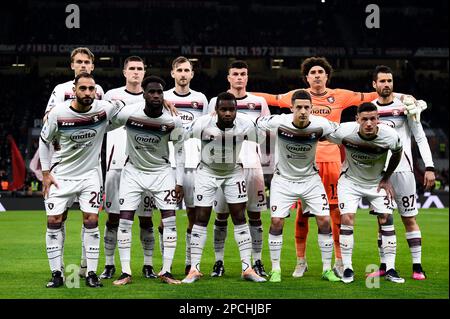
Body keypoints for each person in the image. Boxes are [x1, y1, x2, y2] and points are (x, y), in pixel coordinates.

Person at [253, 56, 413, 278]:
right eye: (312, 72)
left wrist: (405, 97)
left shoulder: (340, 95)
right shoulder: (296, 97)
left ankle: (339, 261)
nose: (317, 75)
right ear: (306, 78)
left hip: (333, 160)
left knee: (335, 212)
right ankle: (301, 261)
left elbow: (373, 95)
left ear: (327, 76)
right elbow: (269, 98)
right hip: (306, 161)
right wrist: (239, 94)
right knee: (301, 214)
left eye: (321, 72)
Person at [40, 72, 118, 288]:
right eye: (82, 88)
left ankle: (91, 273)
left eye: (91, 89)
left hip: (90, 176)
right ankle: (57, 273)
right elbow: (44, 140)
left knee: (91, 221)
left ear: (96, 91)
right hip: (61, 176)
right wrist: (45, 173)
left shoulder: (104, 109)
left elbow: (132, 108)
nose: (87, 92)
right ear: (74, 90)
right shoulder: (59, 113)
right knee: (54, 222)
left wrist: (164, 101)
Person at [256, 89, 341, 283]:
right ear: (292, 108)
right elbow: (256, 122)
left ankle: (327, 269)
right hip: (283, 180)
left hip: (311, 180)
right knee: (277, 222)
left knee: (324, 221)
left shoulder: (321, 125)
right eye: (299, 107)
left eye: (306, 107)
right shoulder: (278, 122)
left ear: (312, 108)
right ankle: (276, 269)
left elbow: (342, 132)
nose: (303, 111)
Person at [182, 92, 266, 284]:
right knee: (201, 217)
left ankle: (247, 268)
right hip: (206, 172)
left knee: (239, 217)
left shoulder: (245, 124)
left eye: (232, 109)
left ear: (236, 110)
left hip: (233, 172)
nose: (228, 113)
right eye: (224, 109)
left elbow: (261, 139)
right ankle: (194, 268)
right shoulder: (202, 124)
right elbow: (180, 135)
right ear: (216, 110)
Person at [110, 76, 184, 286]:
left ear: (164, 95)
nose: (156, 96)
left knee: (169, 221)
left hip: (162, 173)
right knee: (124, 221)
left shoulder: (173, 120)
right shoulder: (129, 114)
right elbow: (107, 120)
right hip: (132, 172)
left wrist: (179, 181)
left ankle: (167, 271)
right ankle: (125, 272)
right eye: (151, 92)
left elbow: (179, 151)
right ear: (144, 94)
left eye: (160, 92)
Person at [367, 65, 435, 280]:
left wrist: (430, 167)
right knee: (383, 219)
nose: (387, 85)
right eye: (383, 81)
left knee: (409, 218)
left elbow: (420, 137)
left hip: (404, 171)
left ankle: (417, 266)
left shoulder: (406, 107)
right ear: (374, 85)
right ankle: (386, 266)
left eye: (390, 81)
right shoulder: (369, 111)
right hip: (379, 173)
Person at [326, 102, 405, 284]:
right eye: (364, 119)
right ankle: (347, 268)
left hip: (376, 182)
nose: (369, 123)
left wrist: (386, 178)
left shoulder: (390, 136)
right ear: (357, 120)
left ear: (378, 120)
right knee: (347, 219)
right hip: (350, 182)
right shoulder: (344, 131)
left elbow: (397, 153)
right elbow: (321, 135)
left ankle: (391, 268)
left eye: (372, 119)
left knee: (387, 218)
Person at [44, 47, 105, 278]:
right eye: (78, 62)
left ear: (92, 65)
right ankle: (58, 271)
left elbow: (108, 116)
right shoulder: (61, 90)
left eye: (86, 62)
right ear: (71, 65)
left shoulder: (98, 91)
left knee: (90, 217)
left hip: (90, 165)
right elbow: (48, 120)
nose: (82, 65)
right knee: (60, 218)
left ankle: (84, 267)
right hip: (64, 164)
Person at [207, 60, 270, 277]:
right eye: (235, 74)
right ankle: (218, 262)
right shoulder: (216, 102)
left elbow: (265, 135)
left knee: (255, 216)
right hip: (224, 167)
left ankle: (258, 261)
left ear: (247, 77)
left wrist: (267, 164)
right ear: (228, 77)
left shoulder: (259, 102)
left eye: (243, 74)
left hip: (253, 166)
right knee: (221, 216)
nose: (239, 78)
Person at [100, 56, 158, 280]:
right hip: (115, 166)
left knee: (146, 219)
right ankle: (108, 264)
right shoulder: (111, 96)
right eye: (132, 68)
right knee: (113, 218)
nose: (135, 72)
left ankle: (148, 265)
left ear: (144, 72)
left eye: (139, 69)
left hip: (144, 165)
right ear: (124, 72)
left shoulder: (153, 98)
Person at [162, 56, 209, 275]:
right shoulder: (163, 98)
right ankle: (166, 264)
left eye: (186, 70)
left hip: (194, 163)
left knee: (194, 214)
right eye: (179, 70)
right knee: (166, 215)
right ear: (172, 73)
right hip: (168, 163)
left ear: (192, 74)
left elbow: (206, 130)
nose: (182, 74)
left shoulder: (200, 99)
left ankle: (191, 263)